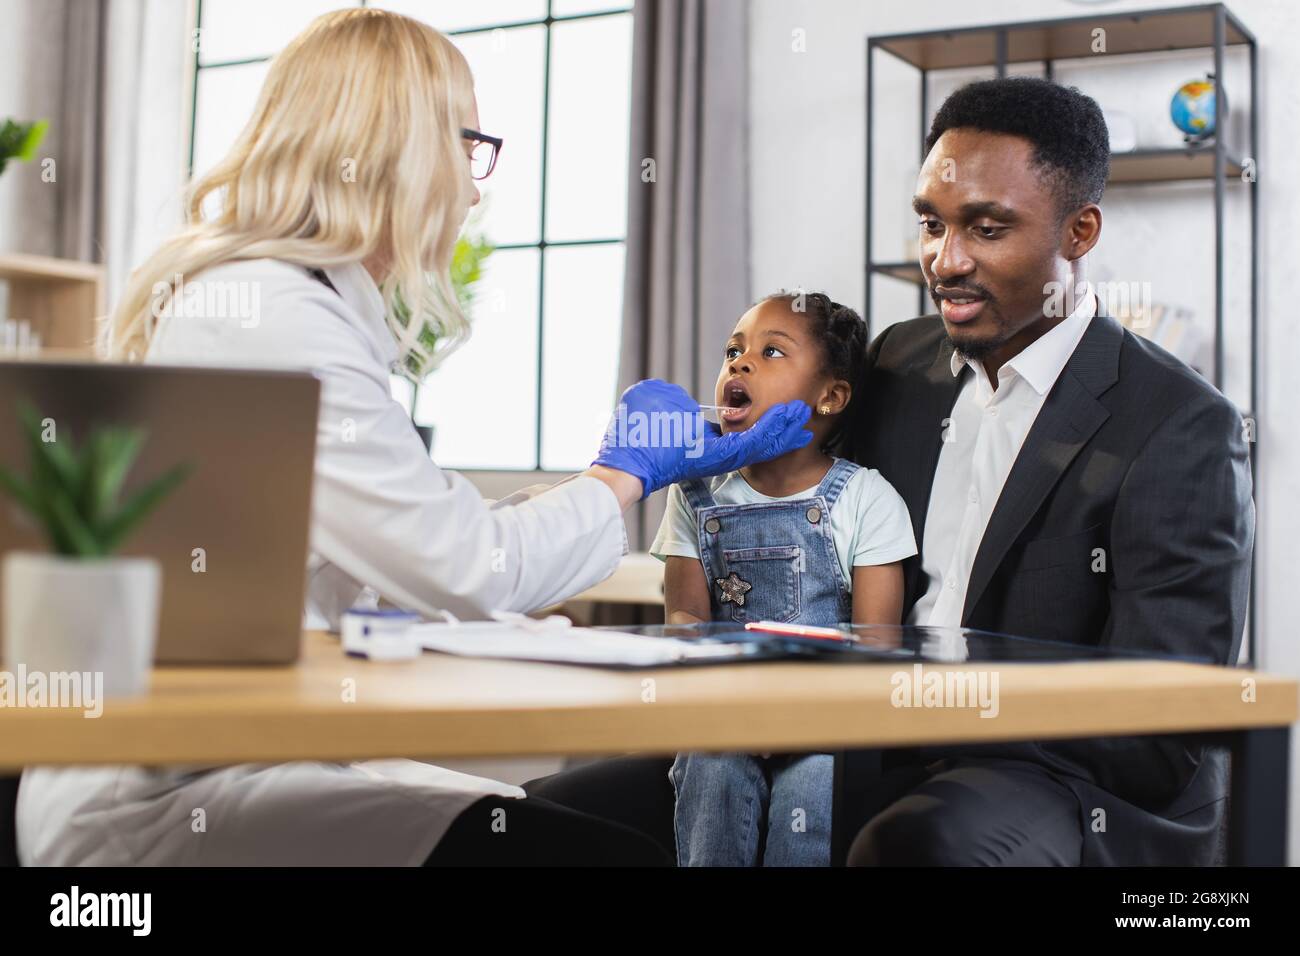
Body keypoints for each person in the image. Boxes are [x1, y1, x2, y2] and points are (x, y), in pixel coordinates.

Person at [14, 8, 813, 867]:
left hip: (247, 761)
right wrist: (624, 475)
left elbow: (412, 553)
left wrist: (578, 505)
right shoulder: (274, 316)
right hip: (165, 802)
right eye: (468, 146)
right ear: (392, 147)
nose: (474, 188)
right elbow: (464, 566)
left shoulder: (291, 304)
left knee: (584, 816)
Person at [527, 77, 1254, 868]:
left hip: (1056, 779)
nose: (945, 261)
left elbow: (1160, 731)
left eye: (986, 228)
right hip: (865, 743)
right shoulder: (899, 361)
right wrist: (687, 443)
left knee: (914, 848)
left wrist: (928, 706)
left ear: (1078, 233)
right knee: (544, 821)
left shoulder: (1180, 425)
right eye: (931, 224)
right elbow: (787, 453)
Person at [650, 291, 915, 866]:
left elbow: (877, 647)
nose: (739, 364)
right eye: (733, 351)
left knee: (816, 784)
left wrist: (800, 720)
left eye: (772, 352)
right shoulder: (693, 493)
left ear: (831, 397)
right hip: (725, 708)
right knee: (710, 760)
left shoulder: (866, 499)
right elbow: (686, 620)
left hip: (828, 717)